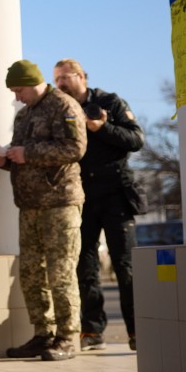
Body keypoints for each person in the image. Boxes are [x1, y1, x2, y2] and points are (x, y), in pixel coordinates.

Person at [0, 60, 87, 361]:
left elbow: (75, 148)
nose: (16, 97)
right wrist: (5, 158)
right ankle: (43, 334)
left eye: (19, 90)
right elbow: (21, 152)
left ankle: (68, 337)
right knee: (31, 273)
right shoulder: (25, 114)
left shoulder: (63, 105)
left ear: (33, 83)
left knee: (61, 273)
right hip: (29, 205)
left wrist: (26, 153)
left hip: (60, 204)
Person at [54, 59, 144, 351]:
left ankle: (137, 332)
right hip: (83, 195)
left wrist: (102, 127)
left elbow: (136, 139)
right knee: (85, 264)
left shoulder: (109, 101)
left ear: (81, 76)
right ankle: (92, 331)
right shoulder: (61, 108)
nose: (60, 85)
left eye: (65, 78)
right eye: (56, 80)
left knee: (125, 264)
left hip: (117, 193)